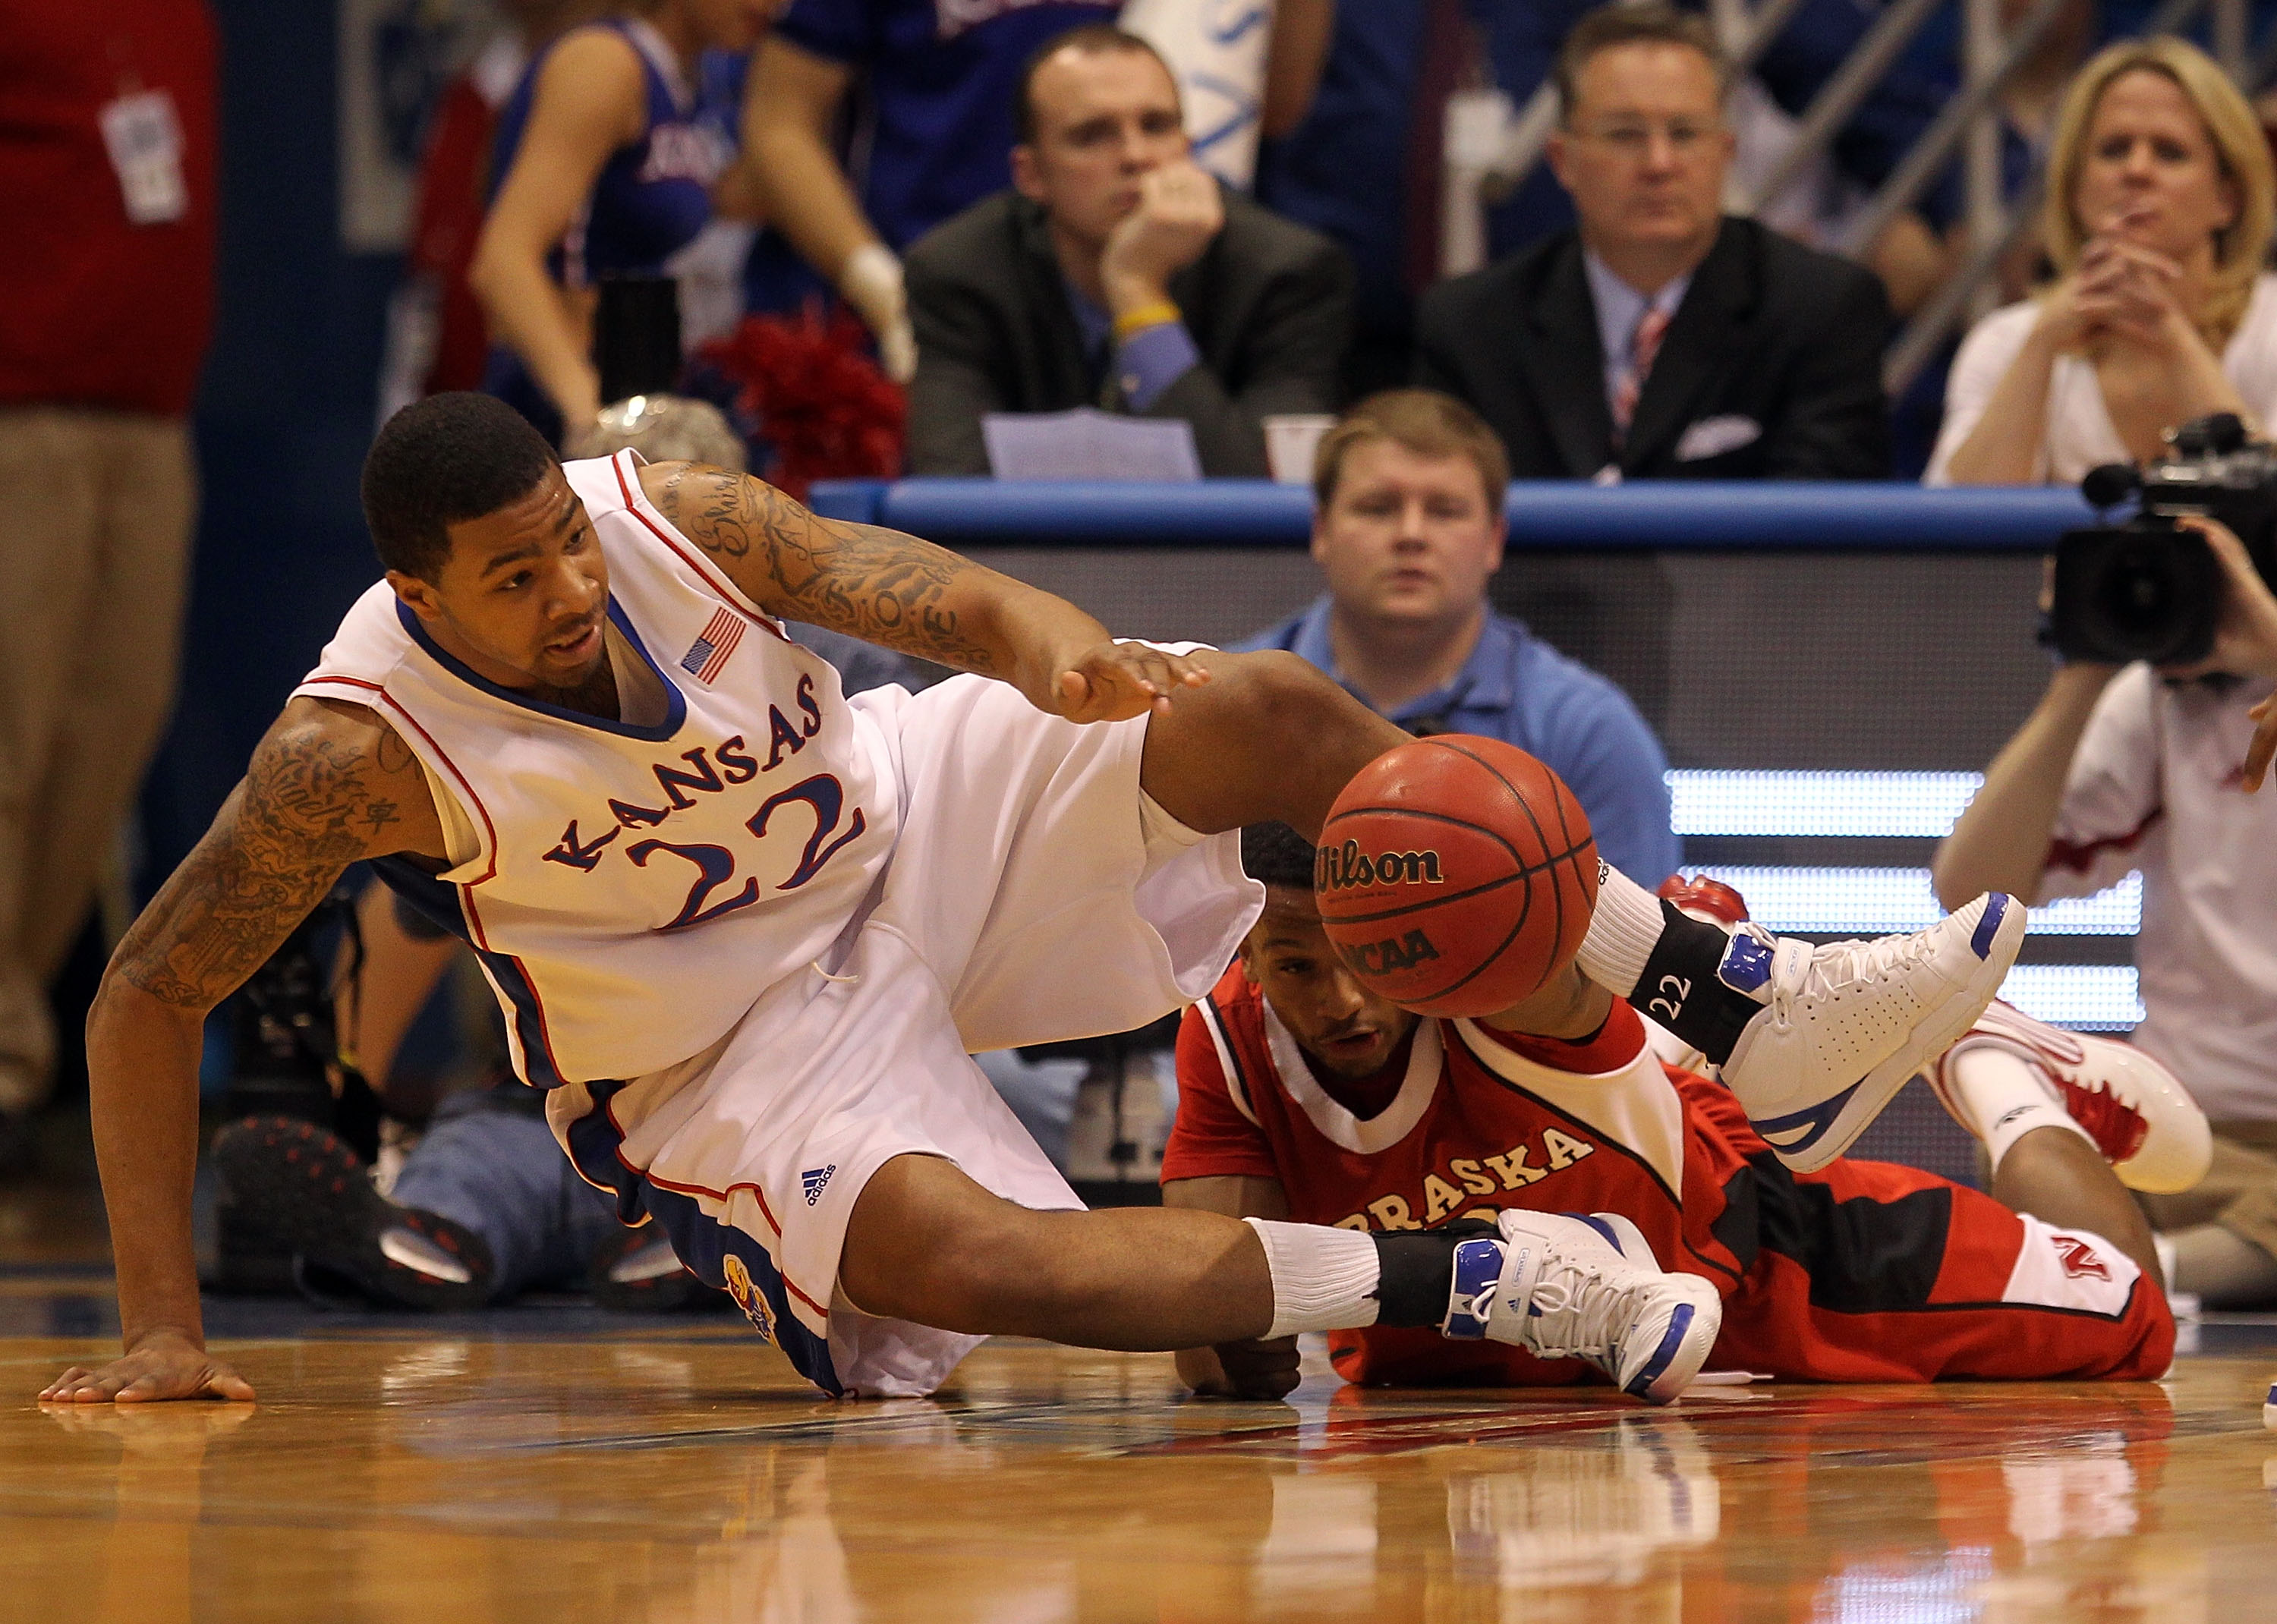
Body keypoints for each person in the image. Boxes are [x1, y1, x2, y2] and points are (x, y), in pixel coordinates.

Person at [43, 392, 2021, 1405]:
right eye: (516, 574)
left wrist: (1045, 637)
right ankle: (1503, 1282)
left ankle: (1728, 995)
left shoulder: (674, 522)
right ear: (422, 590)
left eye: (566, 539)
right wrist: (153, 1321)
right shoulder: (350, 750)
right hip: (722, 1046)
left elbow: (913, 590)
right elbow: (146, 990)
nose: (569, 586)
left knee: (1249, 708)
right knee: (990, 1271)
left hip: (903, 815)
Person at [1164, 825, 2184, 1398]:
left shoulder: (1478, 955)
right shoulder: (1227, 1037)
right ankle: (1705, 941)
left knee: (2131, 1315)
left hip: (1748, 1255)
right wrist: (1230, 1318)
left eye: (1363, 959)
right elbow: (1218, 1356)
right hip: (1482, 1357)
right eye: (1297, 967)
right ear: (1245, 952)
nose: (1343, 1001)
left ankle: (1996, 1064)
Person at [1936, 513, 2277, 1308]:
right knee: (2024, 1121)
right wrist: (2082, 670)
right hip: (2183, 1133)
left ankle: (2123, 1266)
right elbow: (1974, 890)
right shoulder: (2167, 694)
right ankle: (2158, 1259)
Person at [0, 0, 216, 1163]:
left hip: (147, 412)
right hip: (15, 411)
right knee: (5, 743)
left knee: (108, 734)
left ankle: (12, 1039)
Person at [1414, 2, 1891, 483]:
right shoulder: (1472, 326)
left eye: (1684, 134)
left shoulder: (1823, 311)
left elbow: (1821, 536)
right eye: (1625, 135)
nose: (1659, 164)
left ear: (1725, 153)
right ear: (1563, 160)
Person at [1236, 390, 1680, 885]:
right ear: (1321, 531)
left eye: (1445, 511)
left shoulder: (1587, 733)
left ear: (1494, 541)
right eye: (1377, 508)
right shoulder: (1230, 702)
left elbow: (1635, 955)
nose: (1411, 534)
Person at [901, 25, 1354, 477]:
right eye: (1092, 135)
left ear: (1188, 149)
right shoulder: (959, 272)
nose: (1136, 156)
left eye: (1157, 127)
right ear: (1031, 175)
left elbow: (1268, 493)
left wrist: (1138, 293)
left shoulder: (1287, 274)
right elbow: (950, 484)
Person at [1928, 37, 2277, 487]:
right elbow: (1958, 534)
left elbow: (2267, 518)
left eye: (2170, 152)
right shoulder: (2005, 342)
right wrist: (2042, 344)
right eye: (2113, 149)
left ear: (2227, 197)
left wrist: (2170, 334)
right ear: (2076, 190)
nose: (2136, 170)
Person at [468, 0, 776, 447]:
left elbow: (732, 195)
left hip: (635, 388)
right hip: (557, 396)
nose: (771, 6)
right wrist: (590, 417)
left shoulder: (692, 81)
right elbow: (502, 263)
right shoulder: (605, 62)